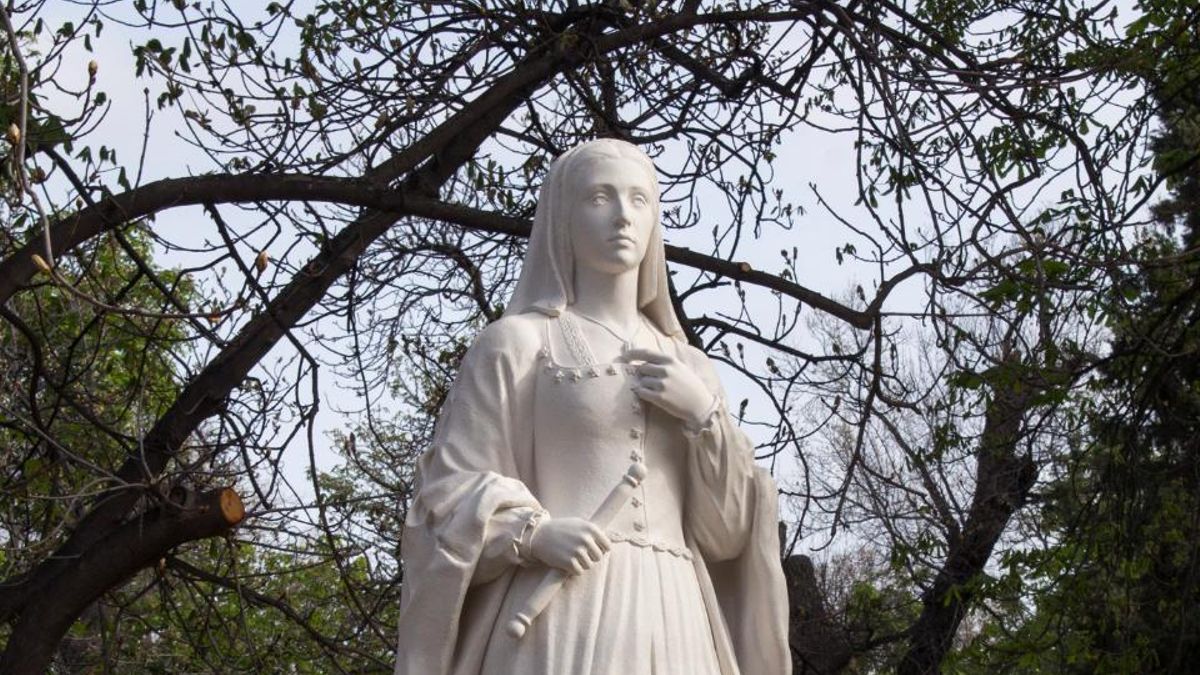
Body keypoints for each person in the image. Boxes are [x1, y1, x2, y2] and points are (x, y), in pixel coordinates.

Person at [393, 139, 790, 675]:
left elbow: (726, 536)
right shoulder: (517, 344)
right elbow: (444, 499)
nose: (623, 216)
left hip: (676, 616)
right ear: (563, 216)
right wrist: (530, 534)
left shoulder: (691, 366)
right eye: (600, 197)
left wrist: (704, 418)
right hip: (560, 610)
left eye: (640, 200)